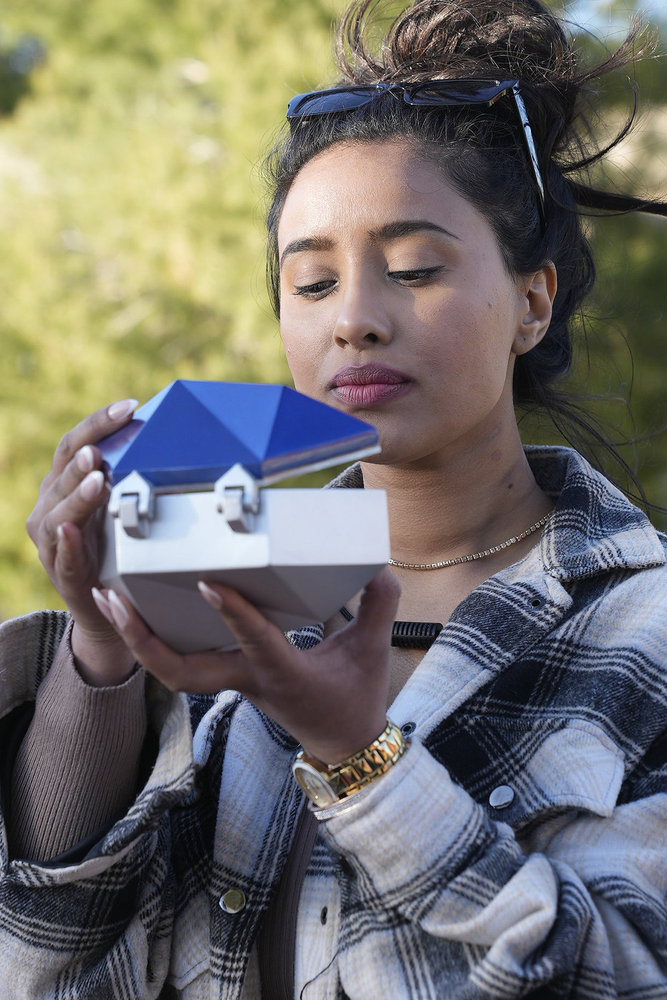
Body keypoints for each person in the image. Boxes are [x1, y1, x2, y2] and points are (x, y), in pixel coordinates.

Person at [1, 0, 665, 996]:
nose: (353, 319)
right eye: (310, 284)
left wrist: (360, 756)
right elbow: (42, 946)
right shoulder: (215, 565)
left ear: (533, 298)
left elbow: (620, 973)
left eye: (412, 270)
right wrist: (102, 641)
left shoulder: (643, 627)